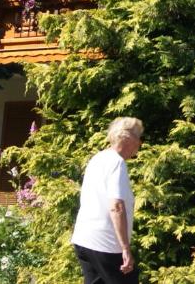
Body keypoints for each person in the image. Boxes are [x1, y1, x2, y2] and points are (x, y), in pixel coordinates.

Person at [71, 117, 143, 283]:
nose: (140, 143)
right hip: (106, 245)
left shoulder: (98, 158)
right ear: (127, 138)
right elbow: (116, 207)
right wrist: (125, 248)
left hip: (84, 240)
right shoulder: (117, 163)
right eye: (138, 138)